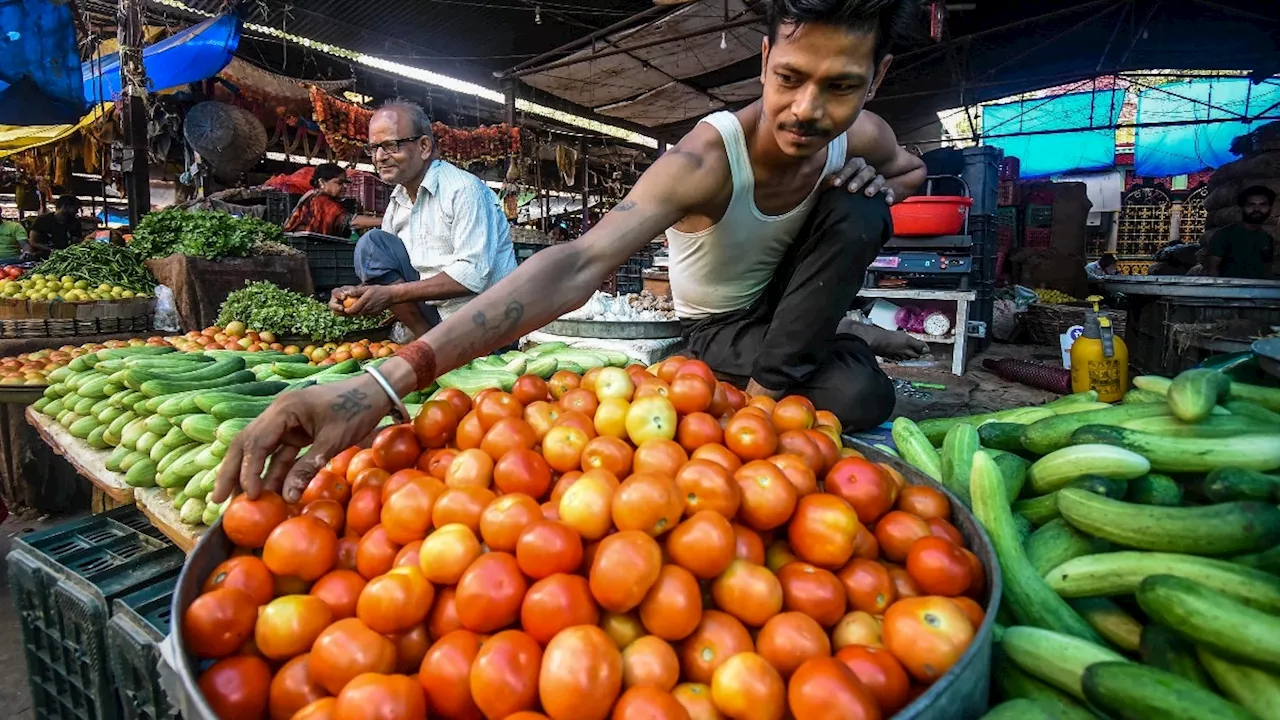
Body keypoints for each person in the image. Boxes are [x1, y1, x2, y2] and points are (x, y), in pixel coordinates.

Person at [214, 0, 930, 503]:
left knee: (859, 207)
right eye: (790, 78)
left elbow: (911, 172)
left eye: (840, 87)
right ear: (766, 58)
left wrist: (879, 183)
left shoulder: (857, 134)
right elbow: (581, 262)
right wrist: (380, 384)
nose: (807, 110)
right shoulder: (706, 161)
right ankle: (795, 379)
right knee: (859, 394)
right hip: (721, 330)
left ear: (878, 79)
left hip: (787, 309)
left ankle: (791, 380)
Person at [327, 100, 517, 338]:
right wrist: (357, 294)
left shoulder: (463, 190)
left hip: (484, 320)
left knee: (375, 247)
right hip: (435, 316)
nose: (379, 157)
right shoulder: (398, 200)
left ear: (424, 147)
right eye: (373, 148)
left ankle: (435, 346)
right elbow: (389, 279)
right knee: (373, 245)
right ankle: (428, 341)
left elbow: (473, 276)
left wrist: (391, 295)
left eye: (390, 146)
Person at [282, 163, 383, 237]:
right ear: (322, 182)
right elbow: (351, 221)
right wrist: (384, 220)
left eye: (345, 183)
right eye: (339, 183)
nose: (344, 187)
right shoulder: (320, 201)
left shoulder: (314, 197)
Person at [1204, 185, 1275, 279]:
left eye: (1262, 205)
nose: (1257, 209)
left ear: (1269, 208)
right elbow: (1212, 270)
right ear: (1242, 208)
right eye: (1251, 204)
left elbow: (1266, 271)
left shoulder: (1267, 239)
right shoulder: (1224, 235)